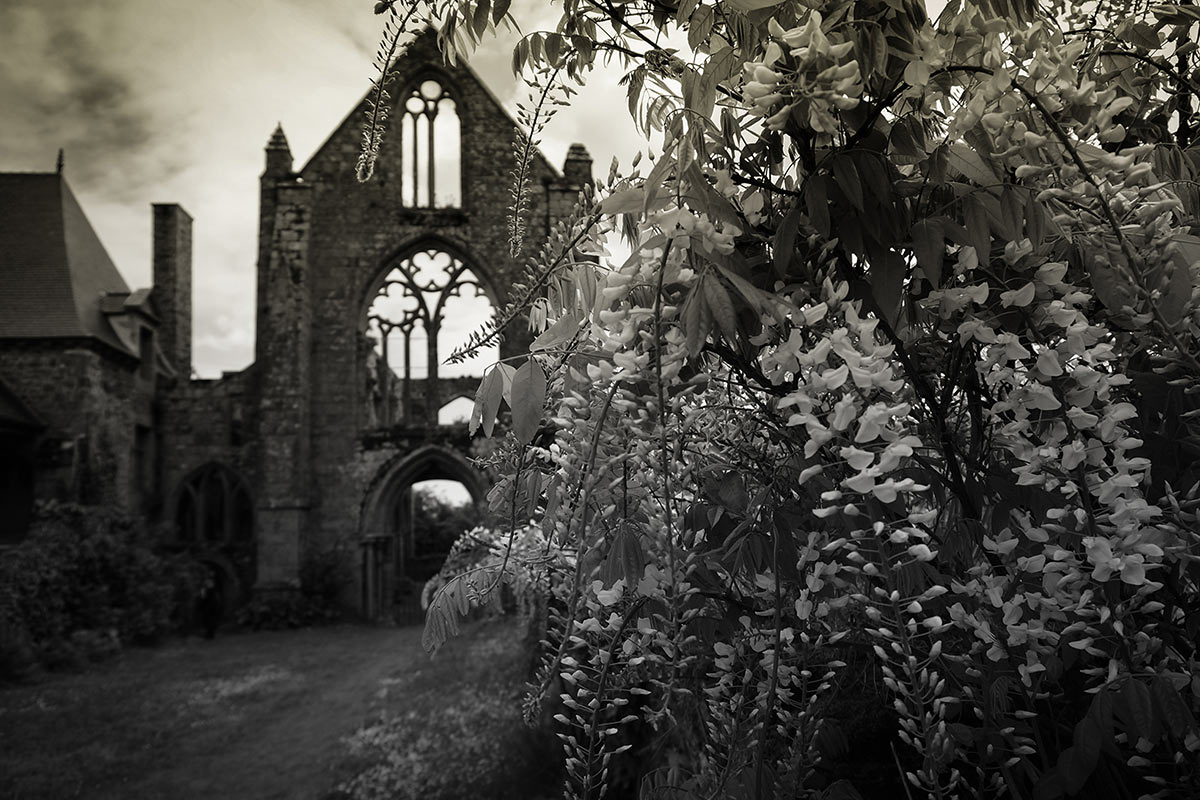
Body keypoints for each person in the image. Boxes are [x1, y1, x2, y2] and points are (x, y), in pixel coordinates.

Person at [197, 565, 223, 640]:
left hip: (209, 606)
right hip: (210, 605)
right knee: (209, 620)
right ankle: (210, 634)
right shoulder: (211, 585)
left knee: (209, 620)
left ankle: (209, 634)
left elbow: (204, 596)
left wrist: (203, 593)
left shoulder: (210, 587)